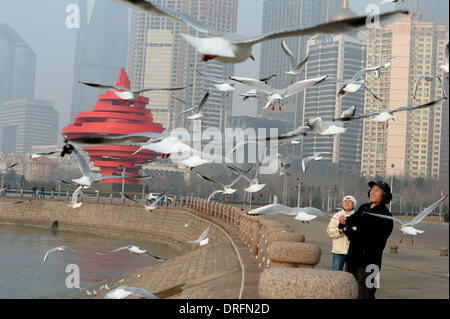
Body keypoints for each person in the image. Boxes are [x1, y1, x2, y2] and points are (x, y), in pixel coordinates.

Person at [338, 181, 394, 299]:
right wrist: (344, 222)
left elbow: (376, 241)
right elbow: (352, 220)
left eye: (377, 190)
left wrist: (350, 233)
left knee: (367, 293)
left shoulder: (386, 216)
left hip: (371, 262)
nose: (373, 192)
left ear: (384, 194)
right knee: (349, 290)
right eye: (372, 189)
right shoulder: (364, 207)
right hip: (353, 257)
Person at [327, 195, 357, 271]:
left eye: (350, 201)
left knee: (351, 275)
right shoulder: (336, 215)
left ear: (354, 204)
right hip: (338, 251)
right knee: (336, 274)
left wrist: (347, 229)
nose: (347, 203)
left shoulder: (358, 216)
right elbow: (330, 231)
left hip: (353, 251)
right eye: (345, 201)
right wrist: (340, 231)